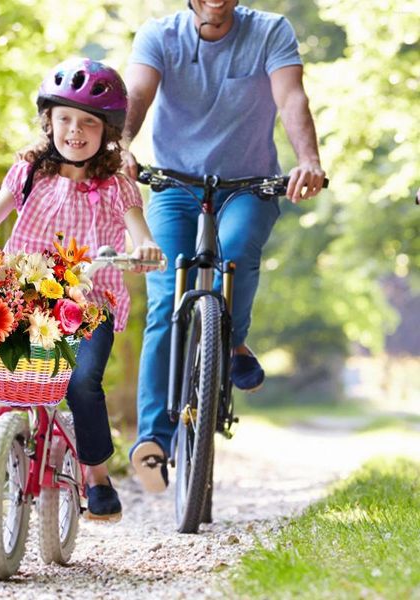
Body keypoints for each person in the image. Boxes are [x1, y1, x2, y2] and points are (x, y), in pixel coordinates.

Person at [0, 58, 162, 521]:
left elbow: (140, 232)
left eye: (88, 122)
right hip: (29, 294)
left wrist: (147, 248)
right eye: (65, 118)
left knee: (81, 380)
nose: (75, 130)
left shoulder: (116, 186)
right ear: (48, 122)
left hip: (91, 302)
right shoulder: (29, 173)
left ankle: (96, 476)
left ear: (107, 131)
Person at [122, 1, 327, 492]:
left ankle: (231, 338)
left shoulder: (270, 31)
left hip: (249, 185)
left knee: (235, 251)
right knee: (166, 292)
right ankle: (154, 438)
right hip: (174, 186)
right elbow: (136, 95)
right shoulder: (159, 36)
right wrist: (121, 144)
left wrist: (308, 159)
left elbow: (291, 98)